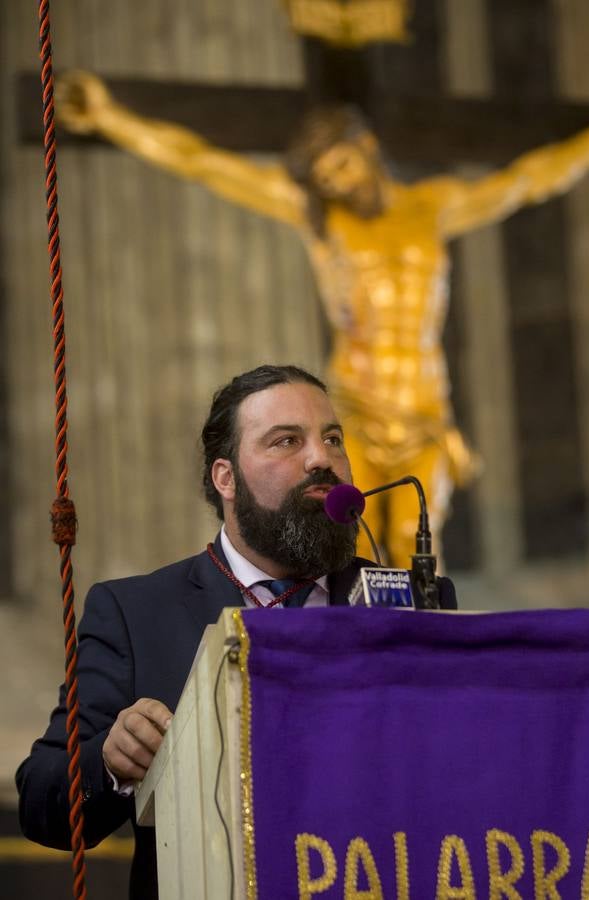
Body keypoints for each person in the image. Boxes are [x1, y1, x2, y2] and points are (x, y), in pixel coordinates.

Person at [55, 72, 589, 566]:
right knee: (351, 536)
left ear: (364, 147)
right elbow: (205, 164)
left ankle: (424, 665)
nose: (337, 183)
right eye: (325, 179)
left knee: (418, 543)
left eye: (341, 165)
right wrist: (110, 118)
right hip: (356, 409)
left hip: (423, 407)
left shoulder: (430, 207)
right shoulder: (325, 224)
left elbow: (522, 181)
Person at [15, 364, 456, 899]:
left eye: (332, 439)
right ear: (226, 479)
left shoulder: (414, 598)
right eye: (287, 441)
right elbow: (43, 804)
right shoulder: (135, 613)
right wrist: (110, 760)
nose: (323, 459)